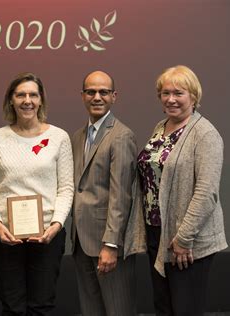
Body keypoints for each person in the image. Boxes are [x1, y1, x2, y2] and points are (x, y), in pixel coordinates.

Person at [135, 65, 227, 315]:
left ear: (193, 96)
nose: (171, 99)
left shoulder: (205, 134)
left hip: (186, 241)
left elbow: (206, 193)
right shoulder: (160, 127)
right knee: (163, 307)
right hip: (159, 234)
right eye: (165, 93)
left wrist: (184, 239)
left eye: (179, 93)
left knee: (184, 309)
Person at [0, 72, 74, 315]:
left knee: (41, 306)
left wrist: (56, 224)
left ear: (41, 100)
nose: (27, 100)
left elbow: (65, 189)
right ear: (11, 100)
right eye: (20, 94)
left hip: (47, 236)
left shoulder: (58, 137)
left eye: (33, 94)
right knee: (12, 307)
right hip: (5, 237)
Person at [71, 71, 137, 316]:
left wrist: (111, 244)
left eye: (103, 92)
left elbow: (121, 196)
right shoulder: (78, 136)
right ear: (82, 96)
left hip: (107, 245)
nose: (96, 97)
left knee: (118, 309)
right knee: (91, 311)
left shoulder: (121, 136)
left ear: (114, 96)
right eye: (91, 92)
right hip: (81, 242)